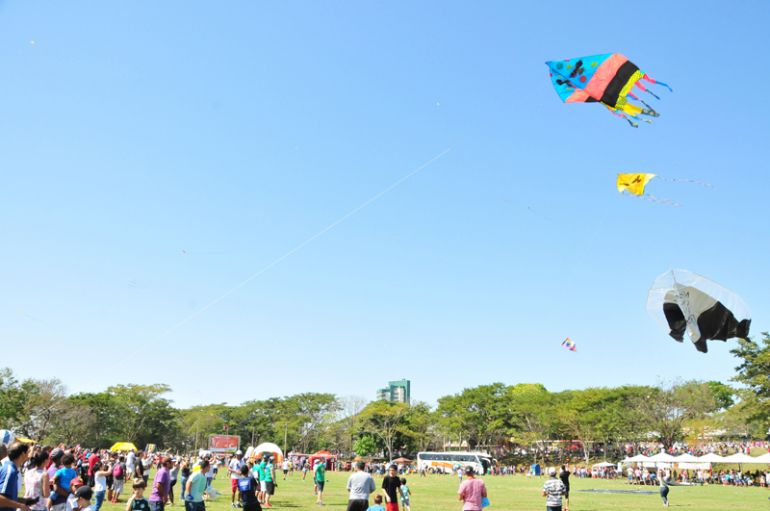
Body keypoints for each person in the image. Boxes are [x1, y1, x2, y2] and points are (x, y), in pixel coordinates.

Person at [0, 442, 32, 511]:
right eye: (28, 452)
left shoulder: (11, 469)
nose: (29, 455)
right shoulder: (9, 471)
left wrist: (23, 500)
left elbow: (7, 497)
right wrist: (20, 505)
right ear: (23, 454)